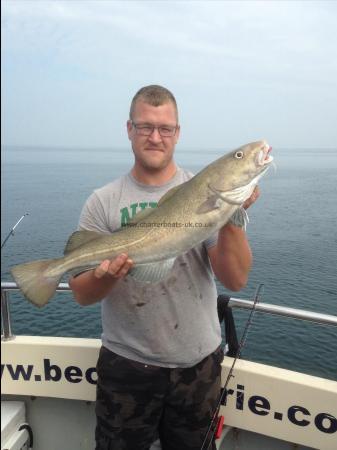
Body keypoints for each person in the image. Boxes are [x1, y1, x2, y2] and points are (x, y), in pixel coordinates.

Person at [69, 85, 259, 450]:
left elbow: (235, 279)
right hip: (126, 366)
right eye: (145, 127)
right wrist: (103, 276)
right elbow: (80, 293)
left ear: (177, 133)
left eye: (165, 128)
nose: (155, 137)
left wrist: (233, 215)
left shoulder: (201, 190)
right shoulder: (103, 202)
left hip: (197, 367)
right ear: (129, 129)